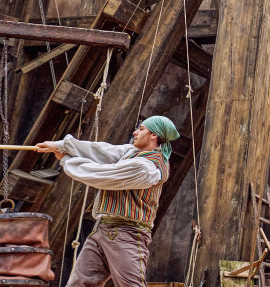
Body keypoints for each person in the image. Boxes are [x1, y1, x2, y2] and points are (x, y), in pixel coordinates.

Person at [35, 116, 179, 287]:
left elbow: (103, 175)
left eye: (141, 129)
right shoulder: (132, 152)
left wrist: (67, 160)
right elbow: (102, 151)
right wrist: (61, 145)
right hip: (102, 231)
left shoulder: (147, 167)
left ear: (154, 135)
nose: (135, 132)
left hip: (127, 234)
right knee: (79, 284)